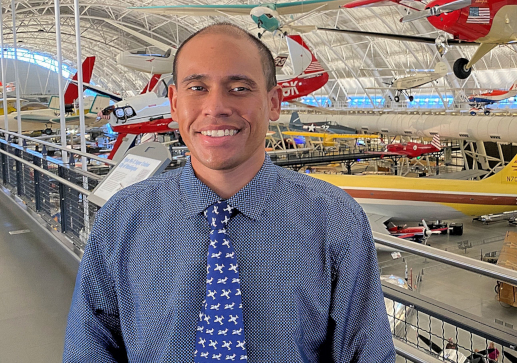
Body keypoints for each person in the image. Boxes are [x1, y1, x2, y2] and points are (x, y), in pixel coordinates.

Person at [63, 23, 395, 362]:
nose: (216, 106)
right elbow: (90, 346)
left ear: (273, 103)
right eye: (197, 87)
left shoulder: (335, 220)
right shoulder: (121, 220)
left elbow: (367, 353)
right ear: (175, 105)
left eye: (239, 87)